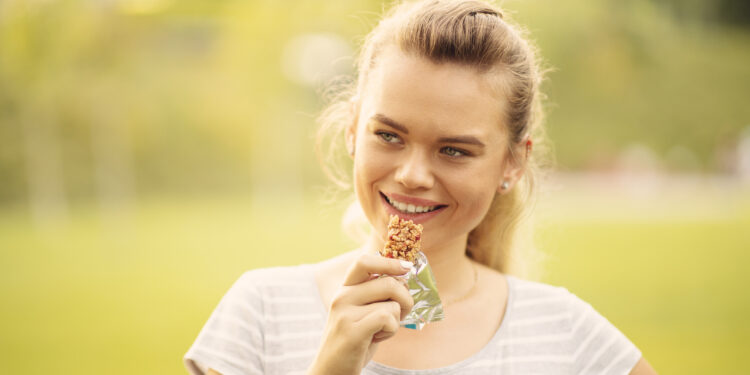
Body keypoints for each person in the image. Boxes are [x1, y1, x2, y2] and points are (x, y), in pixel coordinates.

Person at [184, 0, 658, 374]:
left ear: (512, 163)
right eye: (388, 136)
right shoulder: (260, 314)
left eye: (454, 150)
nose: (412, 175)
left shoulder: (562, 332)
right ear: (352, 130)